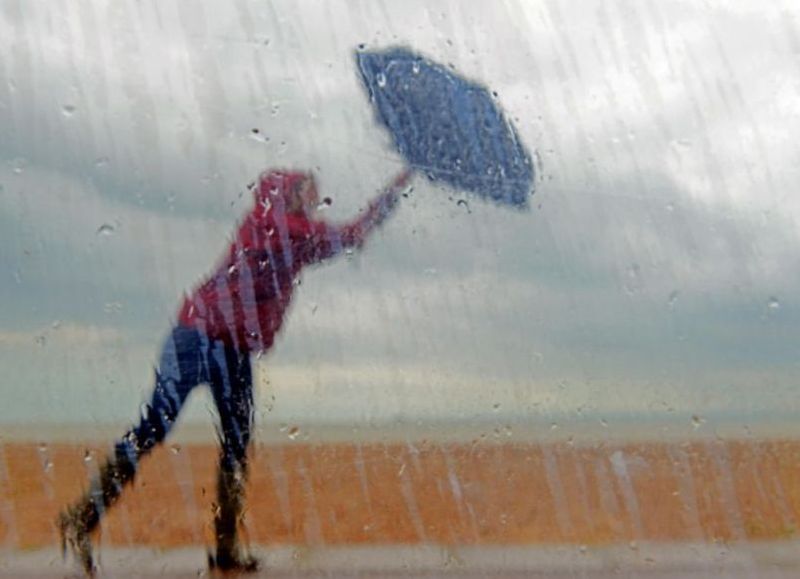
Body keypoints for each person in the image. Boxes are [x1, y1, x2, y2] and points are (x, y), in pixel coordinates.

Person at [57, 168, 412, 575]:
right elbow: (350, 236)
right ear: (288, 195)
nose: (315, 200)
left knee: (163, 428)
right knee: (230, 445)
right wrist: (393, 192)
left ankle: (83, 519)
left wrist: (387, 198)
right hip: (217, 344)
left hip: (192, 335)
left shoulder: (267, 224)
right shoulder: (288, 232)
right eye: (308, 193)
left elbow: (340, 237)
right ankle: (219, 550)